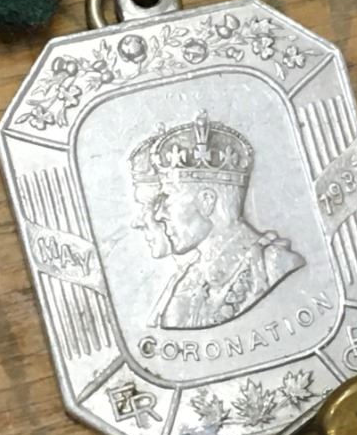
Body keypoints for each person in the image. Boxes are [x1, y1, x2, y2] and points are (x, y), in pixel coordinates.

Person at [130, 114, 305, 331]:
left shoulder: (276, 266)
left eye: (169, 199)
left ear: (207, 201)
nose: (159, 215)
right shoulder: (185, 280)